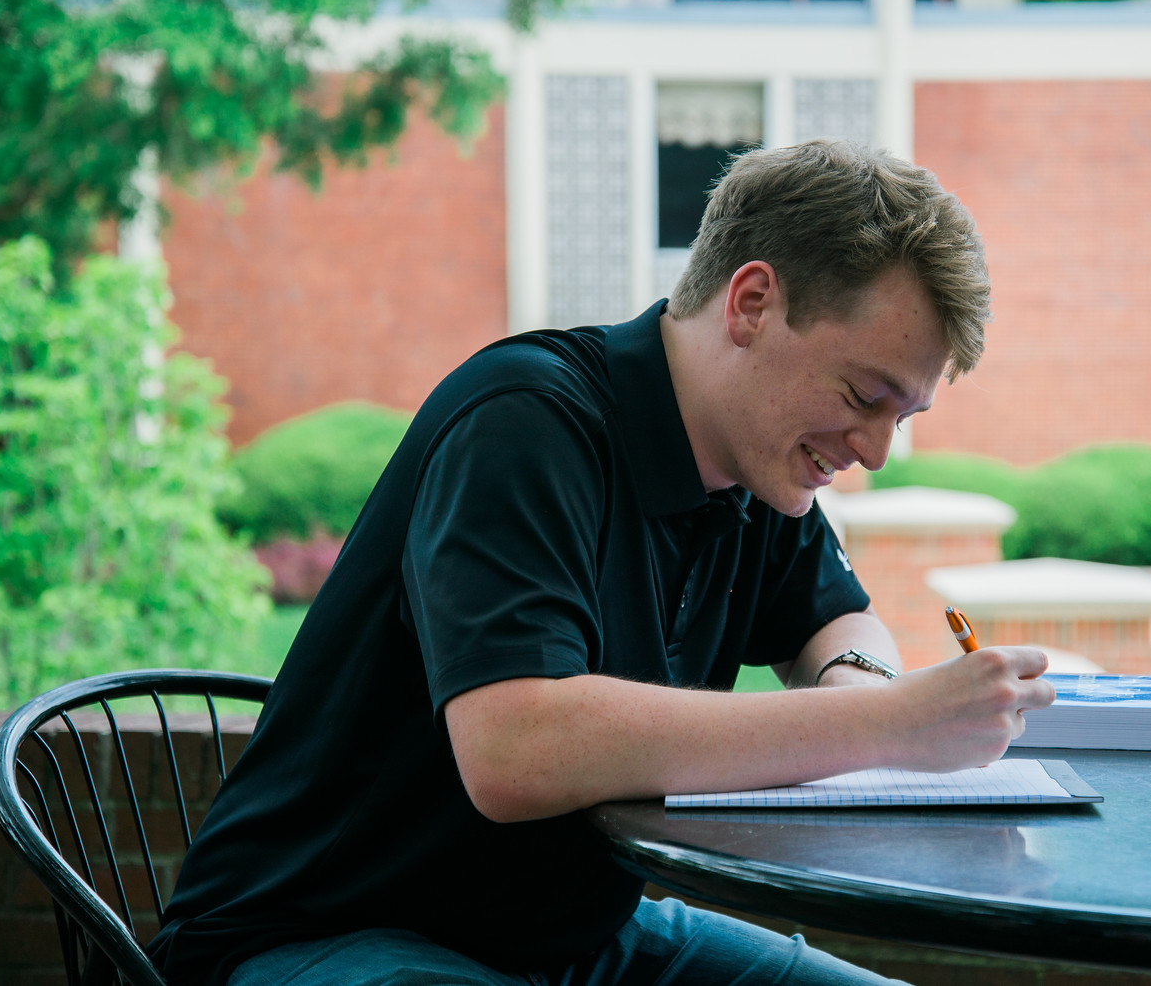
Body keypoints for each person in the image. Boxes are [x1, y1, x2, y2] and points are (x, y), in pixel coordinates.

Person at [148, 140, 1056, 986]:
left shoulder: (760, 467)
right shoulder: (524, 422)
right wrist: (888, 727)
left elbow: (835, 618)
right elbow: (515, 750)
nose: (875, 448)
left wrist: (859, 683)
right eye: (865, 396)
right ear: (751, 304)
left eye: (904, 416)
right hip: (322, 935)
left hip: (572, 940)